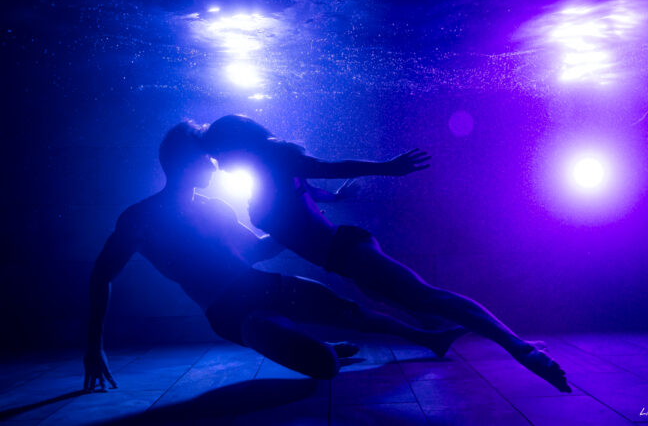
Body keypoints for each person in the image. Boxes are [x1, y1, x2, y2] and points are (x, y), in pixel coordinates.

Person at [83, 122, 465, 392]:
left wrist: (295, 222)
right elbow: (102, 275)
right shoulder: (140, 218)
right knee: (325, 365)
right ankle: (320, 349)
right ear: (185, 162)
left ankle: (429, 339)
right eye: (208, 159)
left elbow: (257, 249)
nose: (216, 165)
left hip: (262, 285)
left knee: (349, 310)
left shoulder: (217, 208)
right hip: (233, 313)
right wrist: (93, 346)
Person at [203, 114, 571, 393]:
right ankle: (435, 336)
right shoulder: (267, 173)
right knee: (395, 299)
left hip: (348, 251)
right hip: (343, 258)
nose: (218, 164)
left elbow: (326, 169)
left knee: (429, 297)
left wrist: (387, 169)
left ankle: (521, 349)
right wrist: (337, 197)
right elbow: (311, 191)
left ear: (233, 144)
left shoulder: (275, 155)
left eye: (218, 155)